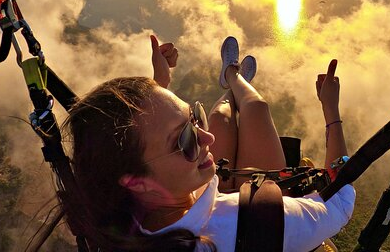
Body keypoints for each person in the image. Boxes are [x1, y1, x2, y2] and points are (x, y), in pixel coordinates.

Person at [63, 35, 355, 251]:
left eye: (192, 117)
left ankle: (230, 84)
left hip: (197, 195)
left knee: (221, 118)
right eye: (185, 139)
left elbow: (142, 147)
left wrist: (159, 85)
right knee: (256, 107)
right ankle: (233, 77)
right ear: (137, 182)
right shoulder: (262, 221)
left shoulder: (121, 211)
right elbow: (341, 203)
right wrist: (331, 110)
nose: (206, 138)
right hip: (252, 223)